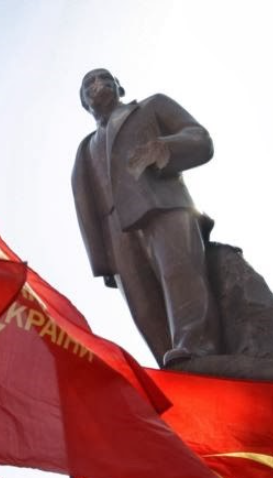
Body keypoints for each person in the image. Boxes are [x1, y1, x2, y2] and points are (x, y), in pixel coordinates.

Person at [70, 68, 219, 367]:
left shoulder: (152, 106)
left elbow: (200, 138)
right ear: (84, 103)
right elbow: (86, 205)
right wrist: (102, 259)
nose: (97, 84)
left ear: (120, 87)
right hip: (116, 234)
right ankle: (172, 368)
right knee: (143, 307)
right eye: (89, 84)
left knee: (180, 277)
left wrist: (163, 149)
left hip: (162, 206)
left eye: (104, 78)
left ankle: (198, 349)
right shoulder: (85, 148)